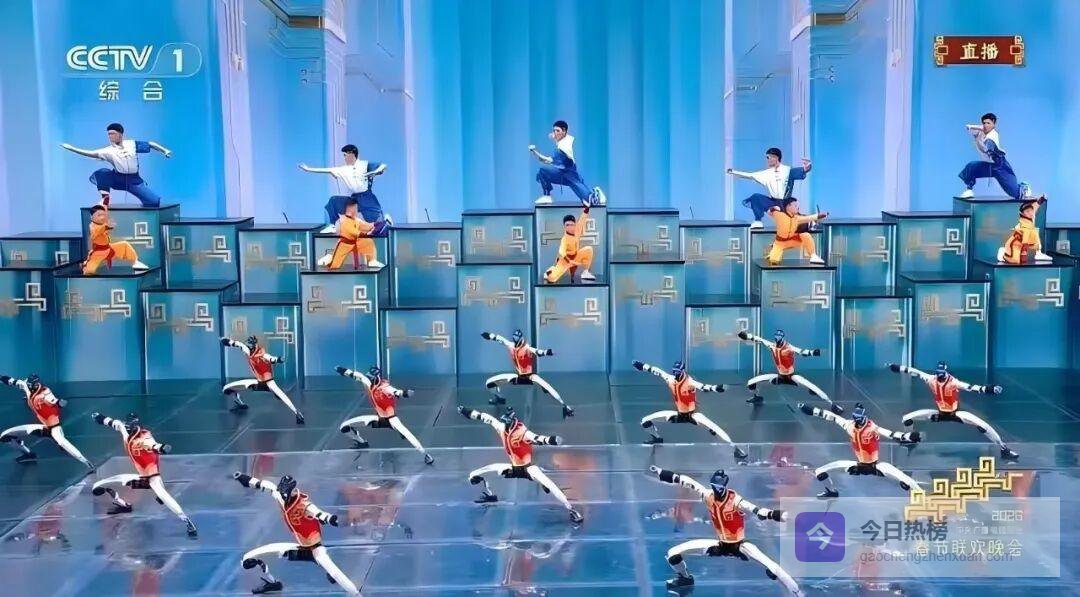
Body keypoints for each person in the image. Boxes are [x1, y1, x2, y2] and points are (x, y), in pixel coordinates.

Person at [649, 466, 801, 594]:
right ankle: (685, 578)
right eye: (714, 487)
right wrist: (661, 472)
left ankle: (798, 593)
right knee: (673, 554)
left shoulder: (735, 500)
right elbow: (687, 482)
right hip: (720, 544)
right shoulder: (708, 495)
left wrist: (783, 516)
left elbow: (759, 511)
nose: (716, 490)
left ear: (724, 486)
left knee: (774, 568)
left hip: (740, 546)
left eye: (719, 487)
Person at [233, 472, 360, 594]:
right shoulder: (280, 495)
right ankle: (273, 583)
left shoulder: (304, 505)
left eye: (285, 493)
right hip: (299, 548)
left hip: (315, 549)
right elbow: (265, 485)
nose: (283, 495)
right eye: (282, 492)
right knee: (247, 559)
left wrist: (335, 520)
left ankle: (356, 594)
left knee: (335, 574)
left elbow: (321, 515)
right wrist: (243, 478)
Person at [457, 406, 584, 524]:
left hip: (528, 469)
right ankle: (491, 495)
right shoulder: (501, 428)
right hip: (513, 468)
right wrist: (465, 411)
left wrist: (552, 440)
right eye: (504, 421)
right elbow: (485, 417)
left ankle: (571, 510)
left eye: (507, 421)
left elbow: (538, 438)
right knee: (475, 474)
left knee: (550, 485)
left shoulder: (522, 432)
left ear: (512, 420)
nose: (505, 423)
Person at [90, 412, 198, 537]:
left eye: (132, 424)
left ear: (136, 424)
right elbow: (115, 423)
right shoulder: (124, 429)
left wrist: (161, 448)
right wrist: (100, 417)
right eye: (128, 424)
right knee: (98, 485)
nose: (129, 426)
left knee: (163, 495)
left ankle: (186, 521)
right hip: (141, 479)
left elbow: (152, 445)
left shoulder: (144, 438)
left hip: (152, 479)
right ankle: (123, 505)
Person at [889, 361, 1018, 460]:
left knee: (983, 426)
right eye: (938, 373)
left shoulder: (953, 382)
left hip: (955, 414)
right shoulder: (931, 379)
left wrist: (990, 389)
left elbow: (972, 388)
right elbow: (914, 372)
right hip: (939, 413)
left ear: (945, 372)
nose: (940, 376)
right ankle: (910, 439)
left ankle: (1004, 449)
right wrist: (897, 367)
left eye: (942, 373)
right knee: (906, 418)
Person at [798, 402, 922, 498]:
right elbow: (832, 417)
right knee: (820, 471)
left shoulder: (872, 428)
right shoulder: (849, 425)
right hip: (857, 466)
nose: (862, 421)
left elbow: (891, 434)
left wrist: (906, 436)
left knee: (907, 480)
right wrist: (812, 410)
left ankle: (924, 498)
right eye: (859, 419)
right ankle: (831, 492)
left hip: (876, 466)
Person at [631, 360, 746, 460]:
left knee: (717, 429)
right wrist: (642, 366)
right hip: (678, 415)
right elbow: (657, 371)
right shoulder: (670, 379)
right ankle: (657, 438)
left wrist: (716, 388)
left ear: (682, 371)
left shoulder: (690, 382)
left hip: (693, 415)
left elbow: (704, 387)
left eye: (678, 371)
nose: (675, 374)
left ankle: (736, 449)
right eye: (674, 371)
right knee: (645, 421)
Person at [335, 365, 435, 465]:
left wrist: (406, 393)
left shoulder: (385, 387)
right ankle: (362, 442)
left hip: (392, 420)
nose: (369, 379)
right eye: (369, 376)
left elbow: (397, 392)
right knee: (344, 427)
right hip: (379, 419)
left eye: (371, 377)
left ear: (376, 377)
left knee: (407, 434)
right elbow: (356, 375)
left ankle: (425, 455)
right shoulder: (367, 381)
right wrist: (342, 370)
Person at [60, 123, 171, 207]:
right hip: (118, 179)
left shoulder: (131, 144)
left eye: (112, 134)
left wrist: (165, 150)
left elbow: (150, 144)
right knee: (102, 173)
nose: (110, 136)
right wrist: (72, 148)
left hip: (134, 181)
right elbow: (90, 153)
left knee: (154, 201)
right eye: (109, 134)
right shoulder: (107, 151)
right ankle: (105, 199)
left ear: (120, 134)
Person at [0, 374, 93, 470]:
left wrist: (59, 403)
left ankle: (86, 462)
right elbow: (12, 381)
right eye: (30, 384)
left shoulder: (46, 393)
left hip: (54, 428)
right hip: (42, 427)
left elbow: (56, 402)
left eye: (34, 384)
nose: (31, 386)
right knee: (5, 436)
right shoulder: (26, 386)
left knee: (63, 443)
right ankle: (28, 454)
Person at [737, 330, 841, 413]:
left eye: (779, 340)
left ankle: (832, 404)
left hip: (792, 377)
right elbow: (758, 339)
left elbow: (802, 351)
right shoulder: (772, 346)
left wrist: (813, 352)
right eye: (776, 340)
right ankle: (756, 397)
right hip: (779, 377)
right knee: (751, 382)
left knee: (813, 388)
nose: (778, 342)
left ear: (782, 339)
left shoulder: (789, 347)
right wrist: (746, 336)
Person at [480, 330, 573, 417]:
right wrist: (488, 335)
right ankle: (499, 398)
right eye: (514, 338)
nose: (515, 341)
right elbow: (498, 338)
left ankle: (565, 406)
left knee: (548, 387)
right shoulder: (511, 345)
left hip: (530, 377)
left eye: (517, 339)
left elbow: (539, 352)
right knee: (489, 383)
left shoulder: (527, 348)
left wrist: (548, 352)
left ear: (521, 339)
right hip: (517, 377)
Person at [299, 144, 389, 234]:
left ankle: (386, 220)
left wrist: (376, 171)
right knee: (333, 201)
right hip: (354, 198)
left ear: (351, 154)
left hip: (366, 197)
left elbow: (383, 165)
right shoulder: (343, 169)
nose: (344, 158)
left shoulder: (364, 164)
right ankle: (333, 225)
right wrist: (308, 169)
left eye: (345, 155)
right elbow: (327, 170)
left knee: (376, 222)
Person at [220, 335, 305, 425]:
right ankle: (239, 402)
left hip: (269, 383)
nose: (248, 347)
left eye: (250, 345)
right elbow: (238, 344)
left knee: (281, 395)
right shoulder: (248, 350)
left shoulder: (262, 354)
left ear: (254, 345)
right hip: (258, 383)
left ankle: (297, 413)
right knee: (226, 388)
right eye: (248, 345)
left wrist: (278, 359)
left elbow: (271, 358)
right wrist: (226, 341)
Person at [727, 148, 812, 229]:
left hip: (785, 203)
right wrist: (733, 172)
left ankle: (809, 222)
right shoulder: (767, 173)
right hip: (773, 202)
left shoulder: (787, 170)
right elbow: (750, 175)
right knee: (756, 197)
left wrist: (807, 168)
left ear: (776, 157)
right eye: (767, 157)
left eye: (769, 157)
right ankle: (758, 221)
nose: (767, 160)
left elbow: (803, 170)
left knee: (797, 223)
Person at [530, 120, 605, 206]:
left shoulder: (563, 148)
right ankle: (547, 195)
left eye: (557, 131)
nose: (555, 133)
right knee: (542, 171)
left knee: (588, 200)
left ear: (564, 131)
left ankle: (597, 194)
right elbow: (556, 137)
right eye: (554, 131)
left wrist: (534, 152)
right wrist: (553, 135)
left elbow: (546, 160)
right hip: (562, 172)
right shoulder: (566, 138)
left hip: (569, 173)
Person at [958, 113, 1031, 200]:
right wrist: (973, 127)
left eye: (988, 123)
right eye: (984, 123)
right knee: (971, 166)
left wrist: (988, 148)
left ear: (994, 124)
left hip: (1000, 165)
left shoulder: (992, 136)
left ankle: (1024, 187)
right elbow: (969, 127)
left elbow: (989, 144)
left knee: (1014, 193)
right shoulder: (980, 130)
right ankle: (969, 189)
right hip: (988, 164)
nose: (986, 125)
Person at [316, 198, 383, 270]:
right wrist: (363, 234)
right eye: (353, 208)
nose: (355, 211)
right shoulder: (343, 220)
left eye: (356, 208)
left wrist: (375, 225)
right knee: (334, 265)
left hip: (357, 241)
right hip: (345, 243)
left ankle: (372, 260)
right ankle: (329, 258)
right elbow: (352, 231)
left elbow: (365, 226)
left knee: (368, 242)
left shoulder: (356, 220)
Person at [82, 204, 150, 274]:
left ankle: (136, 263)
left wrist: (108, 225)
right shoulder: (92, 226)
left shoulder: (102, 224)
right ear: (91, 217)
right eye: (99, 215)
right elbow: (98, 230)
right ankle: (85, 269)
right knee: (89, 271)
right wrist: (107, 226)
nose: (102, 217)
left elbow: (105, 224)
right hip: (98, 252)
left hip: (108, 248)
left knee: (124, 245)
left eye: (103, 215)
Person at [542, 202, 596, 283]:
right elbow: (562, 252)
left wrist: (587, 208)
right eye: (567, 225)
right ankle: (550, 271)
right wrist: (569, 262)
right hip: (565, 260)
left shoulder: (577, 230)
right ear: (564, 226)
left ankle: (586, 272)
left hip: (576, 256)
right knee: (552, 278)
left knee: (589, 249)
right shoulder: (564, 239)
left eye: (572, 225)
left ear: (575, 225)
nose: (570, 227)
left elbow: (582, 220)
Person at [765, 198, 827, 264]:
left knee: (805, 235)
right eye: (795, 206)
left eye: (797, 206)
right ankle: (772, 252)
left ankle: (813, 256)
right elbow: (769, 212)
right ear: (788, 206)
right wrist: (773, 208)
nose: (797, 208)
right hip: (780, 243)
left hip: (793, 240)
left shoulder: (796, 218)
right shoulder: (780, 215)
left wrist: (819, 216)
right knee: (773, 261)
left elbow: (808, 218)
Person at [997, 196, 1051, 263]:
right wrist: (1024, 248)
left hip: (1027, 241)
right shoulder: (1023, 224)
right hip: (1016, 242)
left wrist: (1042, 198)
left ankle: (1038, 253)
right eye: (1027, 211)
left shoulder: (1031, 215)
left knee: (1035, 232)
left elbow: (1037, 204)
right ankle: (1003, 254)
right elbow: (1023, 236)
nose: (1030, 213)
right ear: (1022, 213)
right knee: (1016, 261)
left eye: (1031, 210)